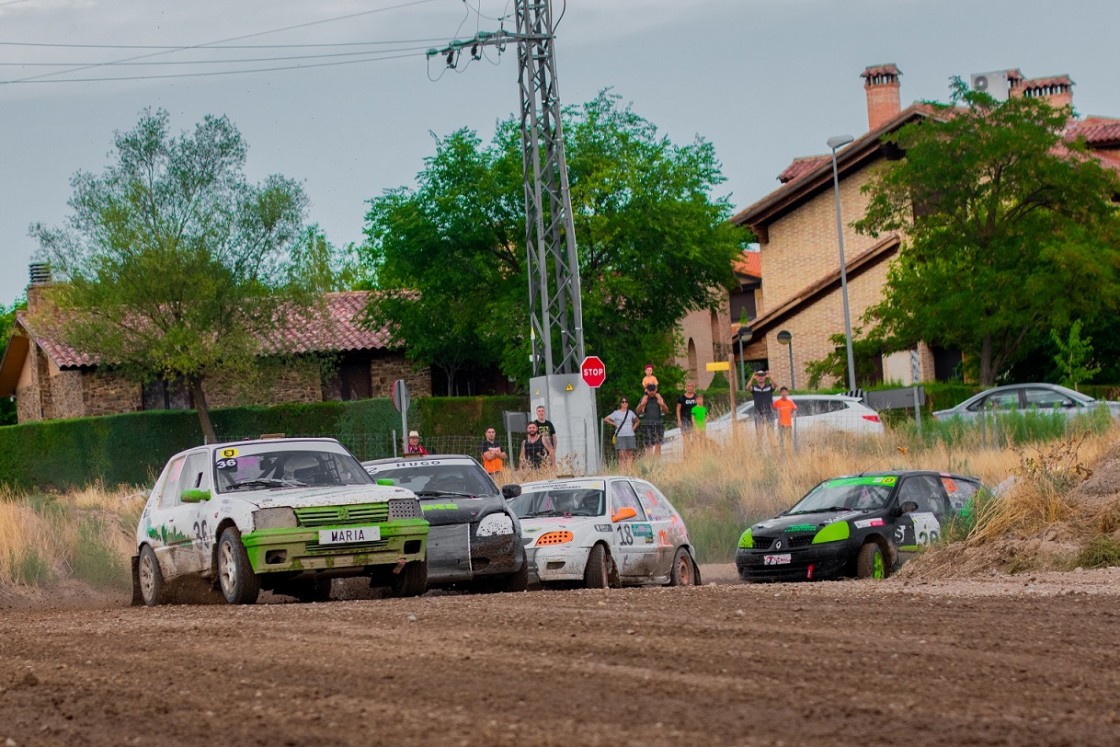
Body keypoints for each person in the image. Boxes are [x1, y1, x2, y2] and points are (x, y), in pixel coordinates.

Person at [603, 397, 639, 469]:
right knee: (622, 455)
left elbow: (637, 421)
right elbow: (606, 419)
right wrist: (614, 424)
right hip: (620, 436)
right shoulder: (616, 413)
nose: (624, 403)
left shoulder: (630, 412)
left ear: (628, 403)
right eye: (623, 402)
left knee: (630, 454)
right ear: (620, 403)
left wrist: (633, 428)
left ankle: (629, 470)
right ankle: (622, 471)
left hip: (630, 435)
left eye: (626, 402)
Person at [636, 383, 669, 457]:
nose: (651, 392)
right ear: (647, 390)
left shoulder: (659, 398)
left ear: (655, 390)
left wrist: (662, 404)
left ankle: (657, 464)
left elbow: (667, 411)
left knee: (658, 445)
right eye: (650, 390)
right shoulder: (644, 398)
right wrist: (642, 404)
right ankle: (649, 465)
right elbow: (637, 411)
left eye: (653, 390)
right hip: (647, 425)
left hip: (658, 424)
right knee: (648, 446)